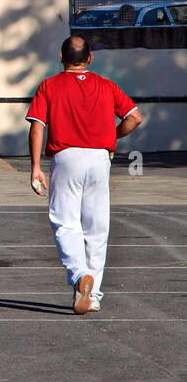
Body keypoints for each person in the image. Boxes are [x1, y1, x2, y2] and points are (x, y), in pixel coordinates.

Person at [26, 36, 141, 314]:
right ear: (90, 58)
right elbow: (135, 117)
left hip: (67, 157)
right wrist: (109, 138)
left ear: (61, 57)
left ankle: (79, 276)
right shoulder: (106, 85)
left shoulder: (49, 86)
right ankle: (95, 296)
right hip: (100, 158)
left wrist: (35, 167)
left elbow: (37, 126)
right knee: (96, 227)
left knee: (65, 221)